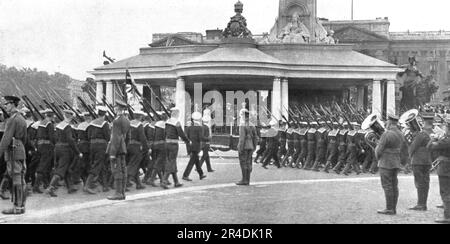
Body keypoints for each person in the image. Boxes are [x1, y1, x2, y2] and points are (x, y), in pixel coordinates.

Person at [375, 114, 408, 215]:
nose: (386, 123)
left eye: (387, 122)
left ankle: (389, 208)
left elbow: (379, 150)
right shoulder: (400, 133)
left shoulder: (386, 134)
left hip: (385, 162)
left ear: (389, 122)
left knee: (387, 185)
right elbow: (404, 149)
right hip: (395, 161)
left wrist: (377, 155)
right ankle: (393, 208)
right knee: (394, 185)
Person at [0, 96, 28, 215]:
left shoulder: (12, 119)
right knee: (20, 178)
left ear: (12, 104)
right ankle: (21, 206)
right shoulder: (21, 118)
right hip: (20, 149)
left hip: (13, 151)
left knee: (16, 179)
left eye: (6, 104)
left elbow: (6, 139)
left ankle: (17, 207)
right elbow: (25, 138)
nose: (5, 106)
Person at [45, 110, 82, 197]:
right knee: (61, 169)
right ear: (71, 117)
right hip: (65, 149)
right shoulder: (67, 127)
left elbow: (54, 138)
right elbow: (70, 139)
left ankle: (70, 187)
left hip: (57, 148)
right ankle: (50, 188)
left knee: (65, 167)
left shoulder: (58, 126)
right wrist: (77, 152)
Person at [408, 113, 434, 211]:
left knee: (419, 183)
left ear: (424, 122)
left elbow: (412, 148)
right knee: (425, 183)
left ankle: (420, 204)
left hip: (418, 161)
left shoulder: (421, 134)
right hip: (427, 161)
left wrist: (409, 157)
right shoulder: (432, 132)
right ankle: (423, 203)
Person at [427, 118, 450, 223]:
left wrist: (433, 138)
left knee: (445, 192)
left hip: (446, 167)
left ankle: (447, 217)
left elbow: (430, 147)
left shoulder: (446, 140)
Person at [106, 101, 130, 201]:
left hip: (116, 149)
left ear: (118, 108)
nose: (114, 108)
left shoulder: (117, 121)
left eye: (115, 106)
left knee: (117, 171)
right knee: (123, 171)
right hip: (122, 148)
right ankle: (122, 192)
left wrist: (112, 152)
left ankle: (118, 193)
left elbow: (115, 137)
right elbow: (128, 137)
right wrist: (124, 147)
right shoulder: (126, 120)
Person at [85, 106, 110, 194]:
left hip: (92, 145)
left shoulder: (91, 123)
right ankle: (87, 185)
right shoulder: (104, 123)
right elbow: (108, 136)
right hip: (101, 146)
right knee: (97, 165)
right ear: (104, 115)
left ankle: (105, 185)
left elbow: (88, 136)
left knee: (101, 165)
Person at [33, 109, 55, 194]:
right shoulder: (49, 124)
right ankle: (36, 186)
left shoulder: (41, 123)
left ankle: (46, 184)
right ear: (52, 116)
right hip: (47, 146)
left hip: (40, 145)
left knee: (44, 165)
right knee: (43, 166)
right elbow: (52, 137)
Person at [126, 110, 148, 190]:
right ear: (140, 116)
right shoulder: (139, 125)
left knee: (135, 165)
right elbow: (142, 137)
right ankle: (125, 182)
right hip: (136, 146)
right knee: (133, 165)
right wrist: (146, 147)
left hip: (128, 145)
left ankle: (138, 183)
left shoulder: (129, 123)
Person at [236, 110, 258, 186]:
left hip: (244, 146)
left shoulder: (242, 125)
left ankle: (244, 179)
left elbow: (242, 138)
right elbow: (255, 137)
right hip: (251, 146)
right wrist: (254, 147)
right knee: (249, 163)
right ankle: (247, 180)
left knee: (243, 163)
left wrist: (240, 147)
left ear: (243, 116)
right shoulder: (252, 125)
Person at [183, 112, 205, 182]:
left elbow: (187, 137)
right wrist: (208, 139)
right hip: (196, 146)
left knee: (196, 160)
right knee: (192, 161)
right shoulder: (200, 128)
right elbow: (200, 138)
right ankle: (185, 175)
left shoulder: (189, 128)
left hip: (190, 146)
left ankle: (201, 174)